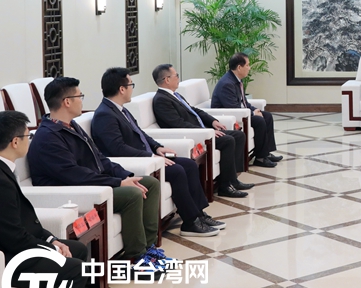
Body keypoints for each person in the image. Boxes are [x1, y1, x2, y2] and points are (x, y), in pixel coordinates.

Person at [28, 78, 169, 270]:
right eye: (80, 96)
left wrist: (125, 176)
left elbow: (100, 158)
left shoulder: (71, 125)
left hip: (93, 184)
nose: (82, 101)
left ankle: (149, 248)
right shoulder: (48, 137)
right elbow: (74, 175)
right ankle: (137, 257)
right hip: (74, 192)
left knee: (149, 183)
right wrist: (118, 183)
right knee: (131, 194)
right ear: (67, 101)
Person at [92, 67, 222, 238]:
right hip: (137, 164)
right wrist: (151, 157)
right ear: (122, 89)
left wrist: (157, 147)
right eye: (131, 85)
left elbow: (140, 133)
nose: (132, 89)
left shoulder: (120, 109)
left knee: (189, 164)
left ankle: (199, 214)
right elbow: (117, 148)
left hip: (149, 157)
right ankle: (190, 222)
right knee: (177, 171)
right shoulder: (105, 115)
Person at [0, 110, 88, 288]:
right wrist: (51, 250)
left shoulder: (7, 169)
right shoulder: (1, 181)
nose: (29, 140)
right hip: (10, 259)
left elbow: (26, 221)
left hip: (18, 247)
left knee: (78, 249)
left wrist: (52, 240)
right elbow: (13, 237)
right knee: (75, 269)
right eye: (27, 135)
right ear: (15, 142)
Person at [151, 64, 253, 199]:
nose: (178, 78)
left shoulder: (175, 95)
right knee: (228, 140)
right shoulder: (161, 100)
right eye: (176, 75)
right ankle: (225, 187)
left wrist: (212, 121)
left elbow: (194, 111)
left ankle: (232, 179)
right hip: (192, 135)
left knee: (239, 135)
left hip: (202, 131)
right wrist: (206, 132)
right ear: (167, 79)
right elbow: (178, 124)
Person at [211, 53, 281, 167]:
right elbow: (233, 108)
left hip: (240, 112)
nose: (249, 68)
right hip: (228, 116)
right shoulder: (227, 84)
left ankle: (266, 153)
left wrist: (255, 110)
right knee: (259, 121)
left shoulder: (237, 80)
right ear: (239, 67)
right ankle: (260, 158)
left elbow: (244, 103)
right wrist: (253, 113)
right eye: (247, 65)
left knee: (267, 116)